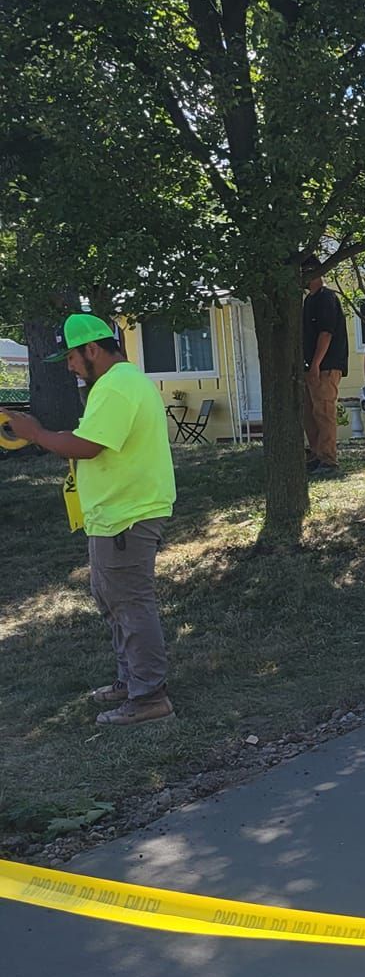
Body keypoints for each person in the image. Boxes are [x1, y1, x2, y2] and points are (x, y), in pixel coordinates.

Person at [6, 311, 177, 725]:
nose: (68, 366)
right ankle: (130, 680)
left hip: (127, 516)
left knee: (131, 606)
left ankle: (150, 697)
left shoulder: (117, 386)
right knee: (113, 602)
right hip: (113, 515)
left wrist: (35, 434)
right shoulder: (119, 384)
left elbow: (86, 446)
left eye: (70, 357)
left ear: (92, 350)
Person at [300, 254, 347, 473]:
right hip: (311, 366)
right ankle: (317, 454)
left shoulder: (327, 299)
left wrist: (316, 364)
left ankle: (329, 460)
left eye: (305, 273)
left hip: (326, 366)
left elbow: (326, 334)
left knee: (324, 411)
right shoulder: (309, 300)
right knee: (310, 413)